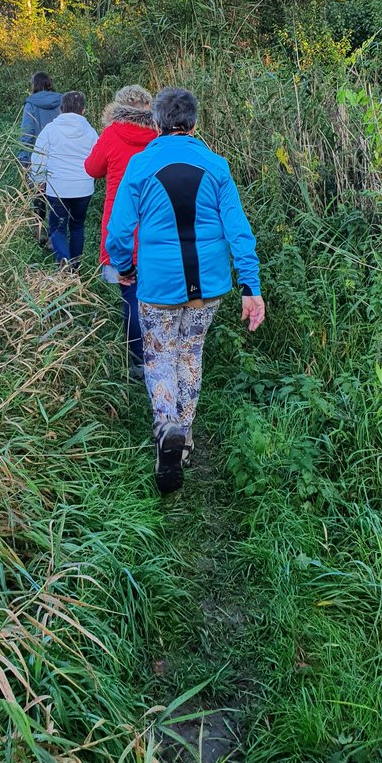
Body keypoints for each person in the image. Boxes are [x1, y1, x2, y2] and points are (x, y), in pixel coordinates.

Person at [106, 87, 265, 494]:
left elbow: (119, 232)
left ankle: (166, 427)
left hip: (157, 284)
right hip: (208, 284)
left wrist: (124, 267)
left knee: (159, 355)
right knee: (190, 352)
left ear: (156, 123)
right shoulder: (217, 166)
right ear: (194, 124)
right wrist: (251, 286)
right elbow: (238, 231)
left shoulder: (140, 166)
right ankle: (185, 436)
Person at [84, 85, 157, 382]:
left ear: (118, 106)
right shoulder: (159, 138)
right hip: (155, 224)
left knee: (130, 296)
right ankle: (160, 355)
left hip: (121, 226)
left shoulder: (111, 134)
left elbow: (92, 168)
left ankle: (138, 360)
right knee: (155, 295)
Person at [31, 91, 98, 267]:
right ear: (83, 110)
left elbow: (39, 157)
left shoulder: (50, 130)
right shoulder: (91, 132)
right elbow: (97, 159)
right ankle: (74, 267)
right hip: (83, 188)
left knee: (57, 228)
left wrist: (38, 180)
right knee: (77, 227)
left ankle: (64, 264)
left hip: (57, 188)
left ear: (61, 108)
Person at [19, 71, 62, 227]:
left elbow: (27, 132)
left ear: (34, 85)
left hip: (38, 155)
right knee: (58, 197)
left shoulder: (31, 104)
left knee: (39, 195)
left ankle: (39, 230)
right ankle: (55, 235)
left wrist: (24, 159)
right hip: (60, 155)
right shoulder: (62, 101)